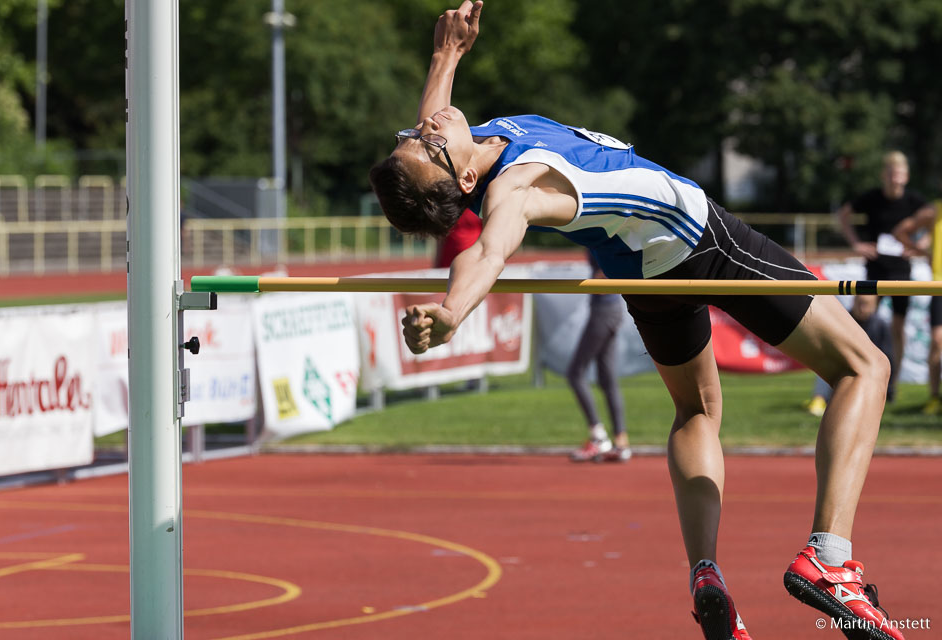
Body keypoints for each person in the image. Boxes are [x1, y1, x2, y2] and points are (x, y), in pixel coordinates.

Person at [369, 3, 904, 638]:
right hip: (702, 240)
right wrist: (453, 311)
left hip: (644, 275)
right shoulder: (515, 186)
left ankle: (705, 572)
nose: (425, 124)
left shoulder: (463, 142)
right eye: (427, 139)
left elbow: (433, 117)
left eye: (411, 133)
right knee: (865, 366)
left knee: (697, 410)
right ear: (460, 176)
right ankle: (830, 560)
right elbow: (488, 250)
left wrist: (446, 55)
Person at [837, 152, 935, 401]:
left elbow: (934, 223)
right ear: (884, 175)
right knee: (862, 321)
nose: (895, 180)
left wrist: (921, 244)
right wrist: (857, 243)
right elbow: (843, 215)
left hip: (901, 270)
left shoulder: (915, 201)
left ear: (906, 176)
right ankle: (858, 376)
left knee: (897, 328)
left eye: (900, 174)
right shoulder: (872, 198)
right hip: (876, 268)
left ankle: (892, 386)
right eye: (891, 174)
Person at [567, 249, 632, 463]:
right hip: (611, 310)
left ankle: (599, 438)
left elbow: (605, 275)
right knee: (607, 379)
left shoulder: (599, 232)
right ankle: (621, 444)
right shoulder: (606, 230)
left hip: (604, 312)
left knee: (575, 374)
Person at [888, 198, 941, 413]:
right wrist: (923, 252)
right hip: (940, 284)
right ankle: (934, 398)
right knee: (938, 342)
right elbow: (900, 231)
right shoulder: (935, 209)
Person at [805, 295, 892, 417]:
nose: (862, 308)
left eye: (866, 304)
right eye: (860, 303)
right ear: (854, 301)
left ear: (874, 306)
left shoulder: (880, 325)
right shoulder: (841, 320)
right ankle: (819, 399)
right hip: (842, 363)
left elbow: (887, 355)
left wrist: (889, 390)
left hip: (868, 368)